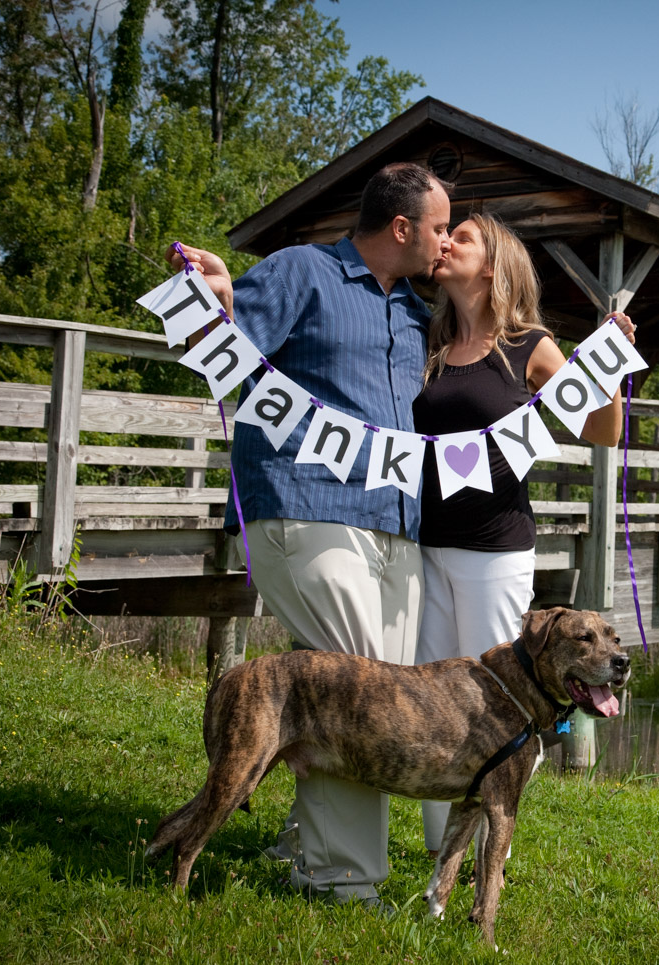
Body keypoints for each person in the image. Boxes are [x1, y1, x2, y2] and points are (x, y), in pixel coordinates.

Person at [166, 161, 451, 908]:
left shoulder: (414, 312)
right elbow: (217, 346)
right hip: (307, 505)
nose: (445, 240)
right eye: (440, 226)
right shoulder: (303, 271)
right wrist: (220, 297)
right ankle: (342, 880)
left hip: (397, 522)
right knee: (359, 704)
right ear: (401, 227)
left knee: (376, 702)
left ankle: (305, 837)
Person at [412, 212, 636, 853]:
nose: (447, 240)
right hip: (422, 543)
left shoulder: (527, 345)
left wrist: (611, 368)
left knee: (496, 704)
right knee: (432, 696)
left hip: (495, 549)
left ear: (494, 265)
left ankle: (487, 851)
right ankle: (438, 848)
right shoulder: (425, 343)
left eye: (463, 236)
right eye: (446, 231)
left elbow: (602, 430)